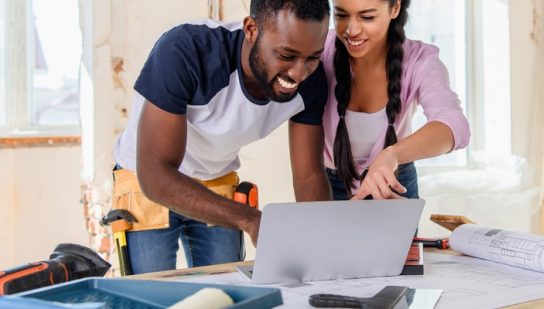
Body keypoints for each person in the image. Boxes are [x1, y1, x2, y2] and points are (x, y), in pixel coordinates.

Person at [111, 0, 331, 274]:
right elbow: (156, 175)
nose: (299, 73)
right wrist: (251, 220)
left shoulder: (312, 81)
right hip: (145, 178)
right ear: (251, 29)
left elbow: (309, 175)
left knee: (226, 294)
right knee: (150, 295)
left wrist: (321, 244)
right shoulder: (184, 51)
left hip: (216, 177)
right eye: (286, 55)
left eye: (312, 57)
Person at [321, 0, 471, 200]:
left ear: (395, 8)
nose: (352, 29)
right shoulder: (319, 50)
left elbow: (455, 126)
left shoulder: (420, 60)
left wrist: (392, 155)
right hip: (329, 183)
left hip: (394, 182)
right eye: (341, 15)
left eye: (367, 17)